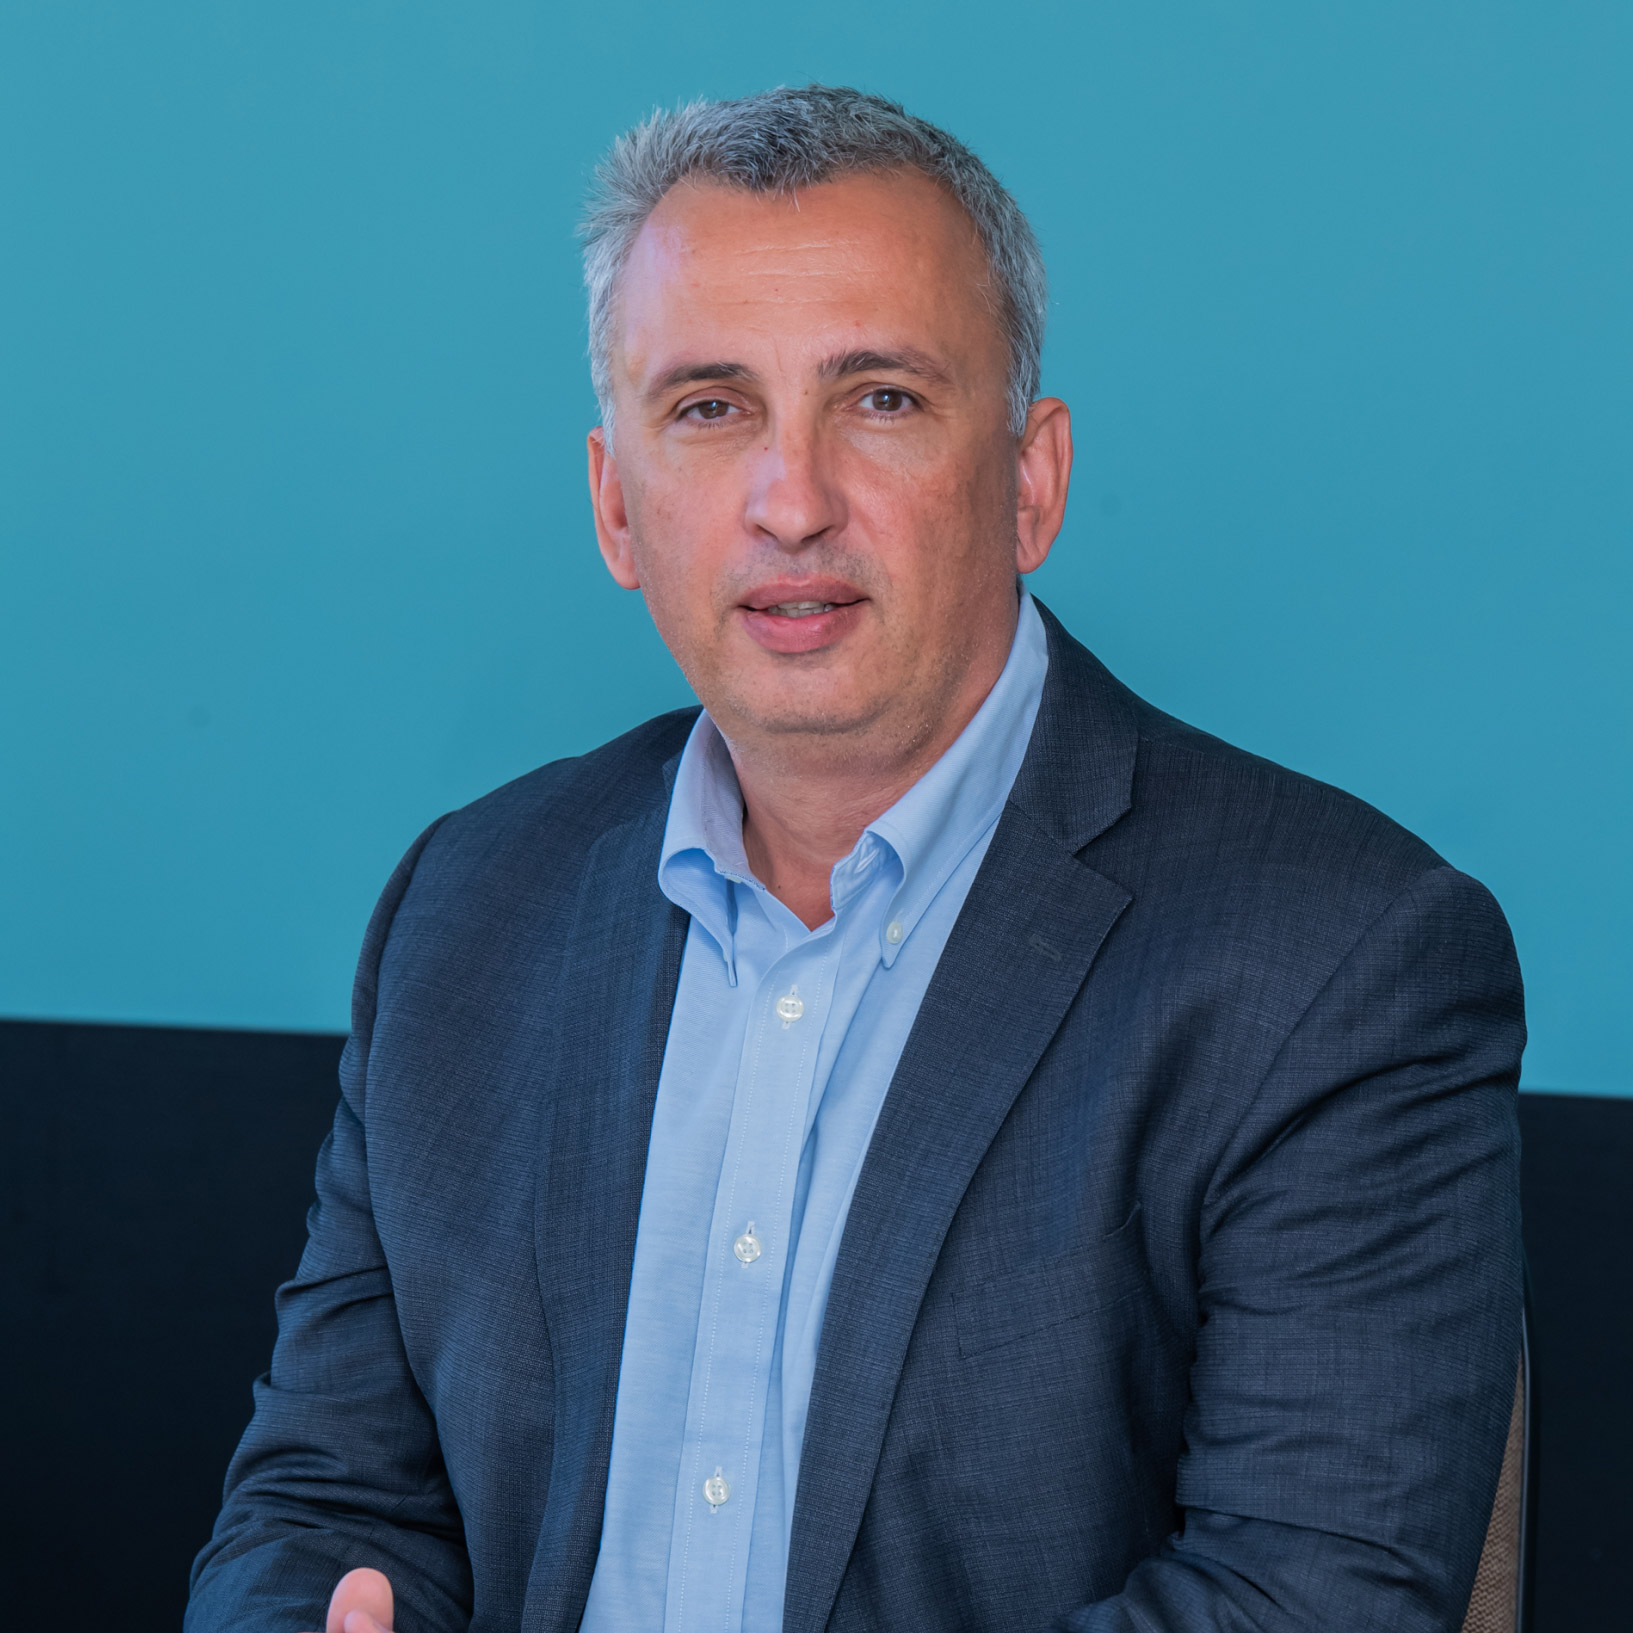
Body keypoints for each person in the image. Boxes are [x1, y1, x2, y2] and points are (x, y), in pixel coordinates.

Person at [186, 86, 1524, 1633]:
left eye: (879, 397)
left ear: (1029, 481)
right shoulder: (466, 912)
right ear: (615, 505)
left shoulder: (1340, 960)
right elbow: (320, 1504)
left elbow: (1304, 1599)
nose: (792, 502)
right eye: (709, 408)